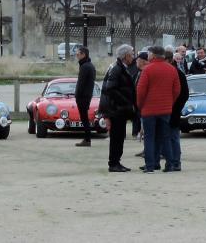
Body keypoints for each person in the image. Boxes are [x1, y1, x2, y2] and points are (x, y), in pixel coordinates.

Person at [135, 46, 179, 173]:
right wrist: (170, 102)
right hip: (165, 109)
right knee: (165, 137)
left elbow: (141, 91)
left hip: (149, 109)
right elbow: (176, 90)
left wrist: (140, 105)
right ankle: (169, 164)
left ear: (153, 55)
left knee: (149, 137)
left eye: (148, 54)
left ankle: (150, 165)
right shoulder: (171, 69)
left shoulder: (147, 70)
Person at [99, 44, 136, 172]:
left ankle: (116, 162)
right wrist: (124, 101)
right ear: (125, 56)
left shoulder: (121, 67)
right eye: (131, 54)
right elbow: (110, 89)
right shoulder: (117, 69)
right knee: (117, 137)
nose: (133, 56)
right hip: (116, 110)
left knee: (119, 137)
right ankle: (114, 163)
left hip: (118, 109)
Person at [164, 47, 189, 171]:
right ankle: (170, 160)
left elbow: (184, 94)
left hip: (173, 109)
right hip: (168, 108)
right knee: (169, 136)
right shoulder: (173, 72)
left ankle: (175, 161)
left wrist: (177, 107)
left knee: (173, 136)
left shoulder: (178, 74)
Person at [74, 47, 98, 147]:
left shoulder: (85, 66)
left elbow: (81, 83)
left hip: (83, 97)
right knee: (84, 118)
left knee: (84, 118)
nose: (76, 55)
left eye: (78, 54)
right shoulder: (89, 66)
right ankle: (87, 139)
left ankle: (87, 139)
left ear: (83, 54)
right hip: (87, 96)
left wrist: (77, 95)